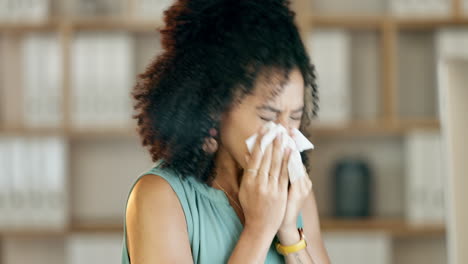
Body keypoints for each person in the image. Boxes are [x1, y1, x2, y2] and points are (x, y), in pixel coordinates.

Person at [121, 0, 331, 263]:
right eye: (268, 115)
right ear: (213, 108)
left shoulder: (296, 193)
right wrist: (259, 228)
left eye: (295, 117)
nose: (286, 135)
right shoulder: (158, 197)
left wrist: (289, 232)